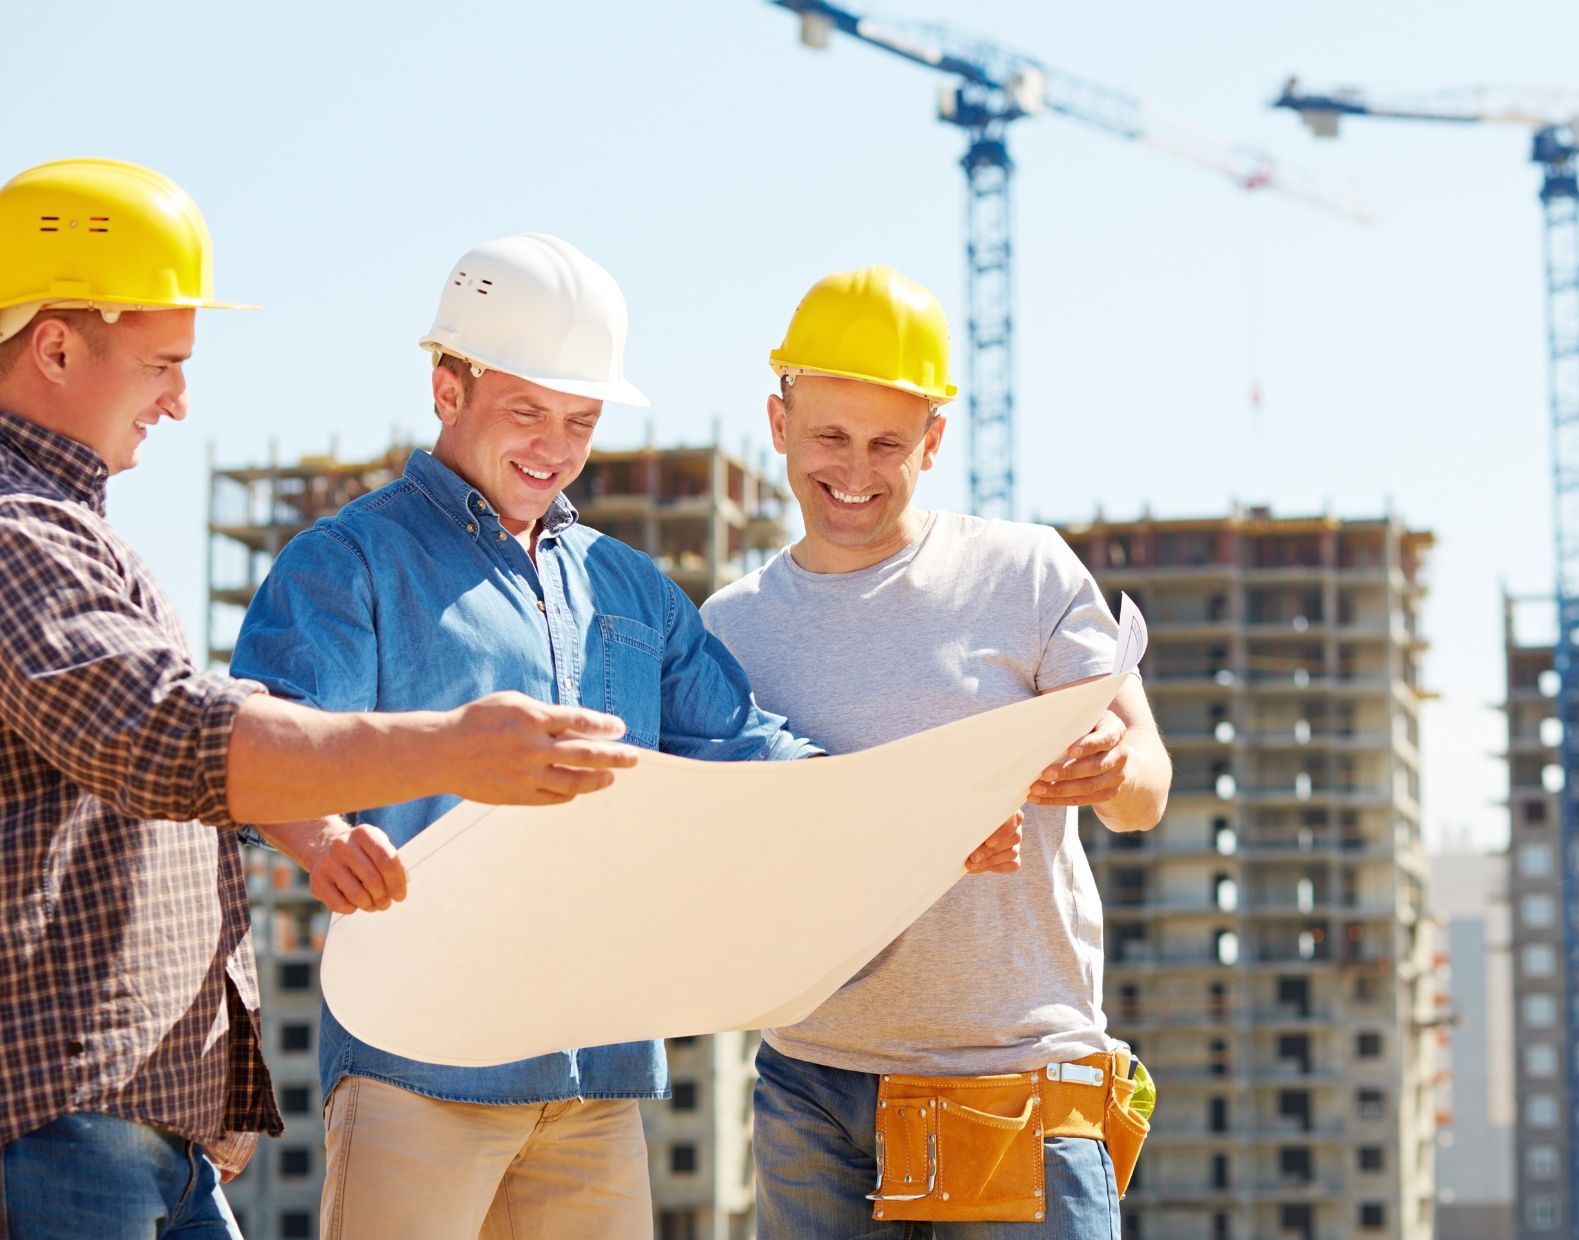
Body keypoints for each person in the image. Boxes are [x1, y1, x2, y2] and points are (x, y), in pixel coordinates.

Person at [227, 233, 1024, 1239]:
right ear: (446, 388)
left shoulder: (626, 588)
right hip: (418, 1062)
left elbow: (749, 748)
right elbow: (261, 739)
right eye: (527, 411)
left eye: (581, 420)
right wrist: (322, 837)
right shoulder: (350, 564)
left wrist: (920, 815)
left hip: (593, 1075)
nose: (554, 447)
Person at [0, 161, 637, 1240]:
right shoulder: (18, 530)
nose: (180, 399)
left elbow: (179, 755)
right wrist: (451, 747)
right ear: (56, 346)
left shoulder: (72, 529)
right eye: (163, 363)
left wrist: (306, 824)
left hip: (141, 1125)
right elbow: (167, 734)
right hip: (65, 1124)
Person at [701, 264, 1174, 1238]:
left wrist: (1114, 769)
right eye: (829, 436)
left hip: (1015, 1078)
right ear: (779, 423)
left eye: (888, 443)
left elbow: (1146, 789)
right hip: (812, 1086)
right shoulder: (730, 630)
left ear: (934, 440)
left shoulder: (1025, 572)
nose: (855, 470)